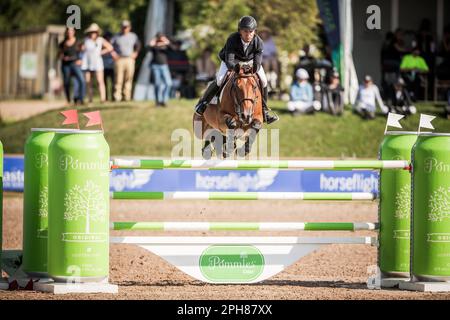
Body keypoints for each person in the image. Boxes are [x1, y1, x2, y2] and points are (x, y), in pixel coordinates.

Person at [193, 16, 279, 124]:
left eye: (251, 32)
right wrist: (238, 67)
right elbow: (229, 61)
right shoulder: (232, 39)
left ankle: (265, 110)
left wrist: (250, 68)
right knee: (220, 79)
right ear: (240, 31)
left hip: (250, 63)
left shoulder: (258, 42)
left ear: (255, 32)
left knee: (264, 80)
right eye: (245, 31)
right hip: (232, 61)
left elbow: (257, 64)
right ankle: (203, 103)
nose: (248, 34)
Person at [80, 23, 114, 103]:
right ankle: (90, 99)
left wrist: (101, 52)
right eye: (91, 32)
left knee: (100, 81)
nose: (93, 33)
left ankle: (103, 99)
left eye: (94, 32)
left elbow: (110, 47)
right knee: (88, 82)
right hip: (87, 63)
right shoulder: (86, 40)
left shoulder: (100, 40)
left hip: (97, 63)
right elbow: (80, 48)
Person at [111, 20, 141, 102]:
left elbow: (138, 45)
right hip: (119, 59)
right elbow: (110, 46)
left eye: (126, 27)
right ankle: (117, 97)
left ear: (129, 27)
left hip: (129, 59)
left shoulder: (133, 36)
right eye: (123, 27)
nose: (124, 29)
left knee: (129, 78)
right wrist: (113, 53)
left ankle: (127, 96)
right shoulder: (116, 36)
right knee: (118, 79)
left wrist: (135, 53)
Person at [58, 27, 85, 105]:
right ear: (66, 32)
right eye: (68, 31)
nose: (69, 32)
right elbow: (59, 55)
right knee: (66, 82)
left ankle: (81, 99)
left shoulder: (78, 42)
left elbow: (83, 52)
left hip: (75, 64)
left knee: (81, 80)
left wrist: (81, 60)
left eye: (71, 31)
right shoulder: (62, 43)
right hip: (66, 65)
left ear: (74, 32)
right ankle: (68, 100)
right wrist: (62, 57)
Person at [148, 32, 172, 107]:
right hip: (155, 66)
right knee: (157, 84)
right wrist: (155, 40)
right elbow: (149, 47)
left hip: (164, 66)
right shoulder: (154, 45)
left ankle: (164, 100)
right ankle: (158, 101)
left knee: (168, 83)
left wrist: (165, 40)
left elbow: (172, 48)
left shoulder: (166, 45)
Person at [102, 31, 115, 101]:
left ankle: (113, 97)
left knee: (113, 83)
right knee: (105, 84)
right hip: (104, 67)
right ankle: (106, 97)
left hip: (112, 67)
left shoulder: (113, 45)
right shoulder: (102, 45)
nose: (108, 38)